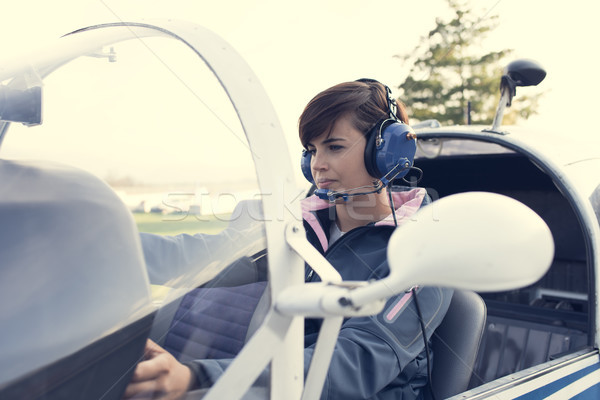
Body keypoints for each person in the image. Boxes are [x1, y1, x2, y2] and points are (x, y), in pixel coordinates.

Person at [124, 79, 453, 400]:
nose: (317, 165)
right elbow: (208, 257)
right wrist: (111, 253)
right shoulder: (300, 227)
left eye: (334, 147)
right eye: (311, 150)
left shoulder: (422, 254)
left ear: (384, 152)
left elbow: (354, 360)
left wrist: (198, 378)